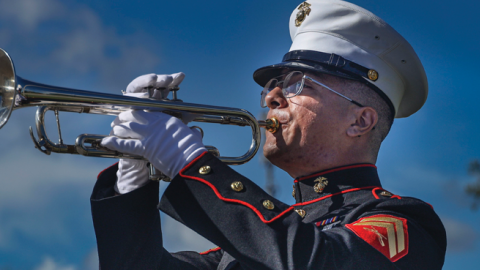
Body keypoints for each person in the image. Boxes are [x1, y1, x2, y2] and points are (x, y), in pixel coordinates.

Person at [91, 0, 446, 269]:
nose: (272, 97)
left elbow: (316, 260)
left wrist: (191, 163)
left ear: (360, 121)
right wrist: (133, 179)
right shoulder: (250, 241)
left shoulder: (404, 224)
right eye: (274, 86)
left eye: (298, 84)